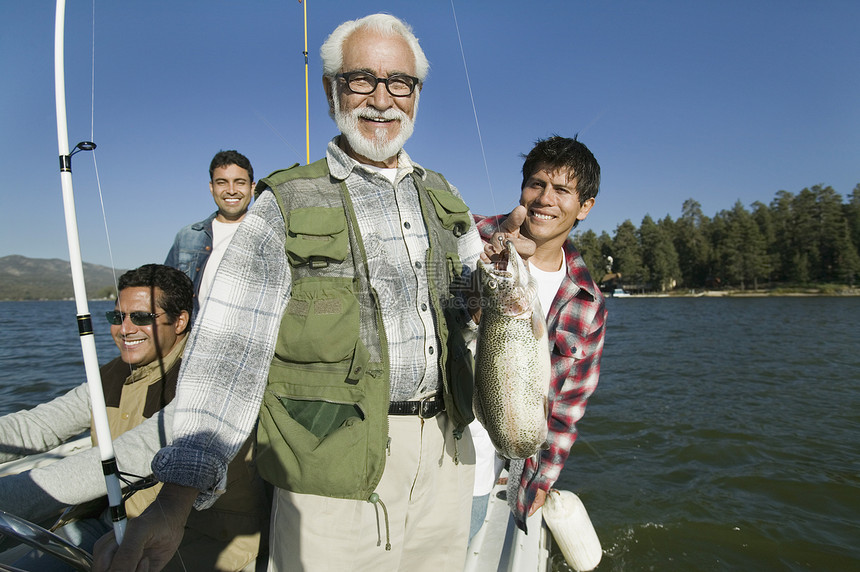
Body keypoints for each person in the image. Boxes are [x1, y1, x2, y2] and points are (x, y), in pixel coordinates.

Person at [94, 14, 484, 572]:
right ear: (331, 91)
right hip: (328, 470)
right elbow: (229, 355)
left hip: (448, 458)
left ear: (417, 95)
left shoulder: (450, 200)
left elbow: (475, 321)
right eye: (361, 79)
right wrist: (174, 501)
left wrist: (494, 285)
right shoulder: (282, 204)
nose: (382, 99)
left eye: (400, 81)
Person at [0, 264, 269, 571]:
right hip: (112, 520)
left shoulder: (211, 380)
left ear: (180, 320)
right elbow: (35, 427)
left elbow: (127, 457)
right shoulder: (113, 375)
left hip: (197, 535)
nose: (124, 329)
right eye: (117, 317)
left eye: (141, 318)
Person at [473, 135, 607, 534]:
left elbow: (567, 407)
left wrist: (540, 481)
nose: (545, 198)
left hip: (483, 472)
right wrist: (478, 274)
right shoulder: (470, 238)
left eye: (562, 190)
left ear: (585, 207)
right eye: (536, 184)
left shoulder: (589, 303)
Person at [164, 150, 255, 308]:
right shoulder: (187, 237)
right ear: (211, 187)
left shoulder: (274, 235)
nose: (231, 190)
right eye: (222, 182)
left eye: (240, 182)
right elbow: (165, 293)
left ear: (252, 187)